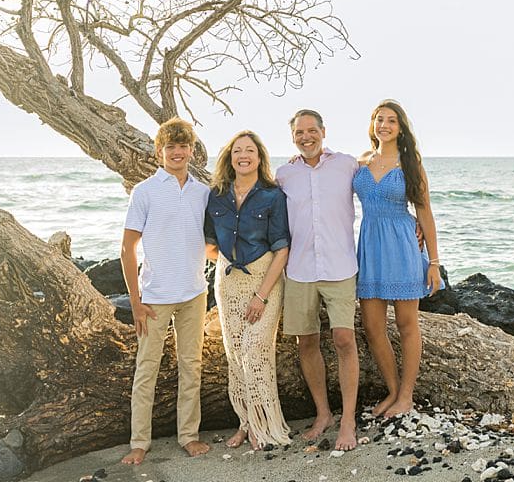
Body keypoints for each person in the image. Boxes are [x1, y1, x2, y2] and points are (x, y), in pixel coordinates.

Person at [119, 117, 211, 465]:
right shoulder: (144, 192)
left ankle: (188, 435)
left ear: (191, 150)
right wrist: (135, 302)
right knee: (147, 370)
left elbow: (208, 243)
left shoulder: (202, 192)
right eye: (170, 146)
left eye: (183, 145)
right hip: (154, 298)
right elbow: (127, 249)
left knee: (192, 367)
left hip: (194, 294)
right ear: (160, 152)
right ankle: (139, 442)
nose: (177, 151)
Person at [275, 109, 360, 450]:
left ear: (324, 132)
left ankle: (349, 420)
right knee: (306, 342)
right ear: (292, 136)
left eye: (312, 130)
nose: (306, 137)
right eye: (299, 132)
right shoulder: (284, 174)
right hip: (299, 270)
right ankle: (323, 413)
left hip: (340, 266)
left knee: (343, 339)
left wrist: (413, 219)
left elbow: (381, 187)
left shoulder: (347, 165)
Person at [354, 99, 443, 417]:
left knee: (407, 325)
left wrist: (434, 263)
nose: (385, 125)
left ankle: (406, 397)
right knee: (373, 327)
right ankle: (393, 392)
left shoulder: (411, 164)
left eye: (392, 120)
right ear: (372, 124)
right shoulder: (361, 161)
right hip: (370, 248)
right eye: (380, 119)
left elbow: (425, 212)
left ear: (401, 127)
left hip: (403, 246)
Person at [204, 130, 292, 449]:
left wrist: (260, 295)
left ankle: (264, 424)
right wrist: (225, 259)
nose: (244, 155)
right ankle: (245, 421)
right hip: (227, 284)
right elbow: (208, 243)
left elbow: (282, 249)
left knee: (255, 351)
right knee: (236, 355)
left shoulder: (272, 195)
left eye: (250, 150)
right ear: (230, 157)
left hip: (263, 279)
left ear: (259, 157)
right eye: (237, 150)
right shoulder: (216, 195)